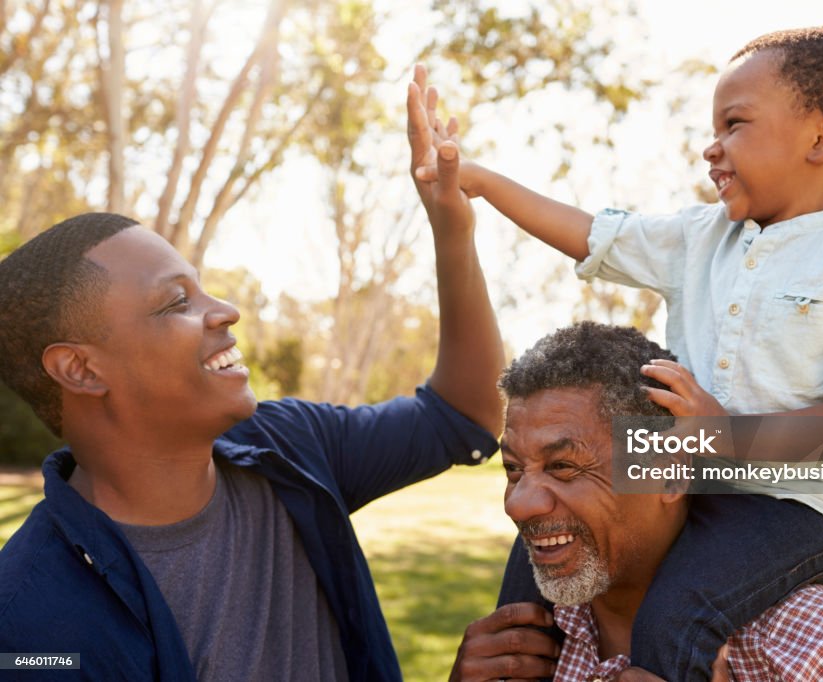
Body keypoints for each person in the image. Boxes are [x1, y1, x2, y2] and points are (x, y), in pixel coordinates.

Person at [414, 26, 823, 679]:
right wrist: (482, 183)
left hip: (803, 509)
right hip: (699, 481)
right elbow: (592, 237)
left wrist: (726, 436)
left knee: (678, 612)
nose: (710, 148)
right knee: (533, 563)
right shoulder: (700, 238)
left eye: (734, 124)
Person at [0, 68, 499, 681]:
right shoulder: (28, 626)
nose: (225, 310)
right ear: (80, 368)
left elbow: (465, 413)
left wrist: (452, 228)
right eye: (175, 302)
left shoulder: (291, 446)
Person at [451, 322, 823, 682]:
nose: (520, 505)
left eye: (564, 467)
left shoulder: (822, 651)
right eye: (513, 469)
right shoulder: (512, 645)